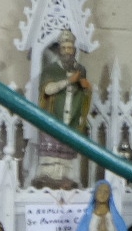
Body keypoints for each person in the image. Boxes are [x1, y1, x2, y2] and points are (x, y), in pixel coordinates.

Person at [34, 29, 92, 189]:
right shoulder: (51, 70)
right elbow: (47, 90)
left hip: (71, 118)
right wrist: (68, 81)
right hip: (53, 118)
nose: (67, 52)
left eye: (70, 48)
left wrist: (85, 87)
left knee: (68, 156)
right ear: (59, 50)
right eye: (64, 48)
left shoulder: (80, 70)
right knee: (51, 159)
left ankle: (66, 180)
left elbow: (85, 91)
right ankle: (48, 179)